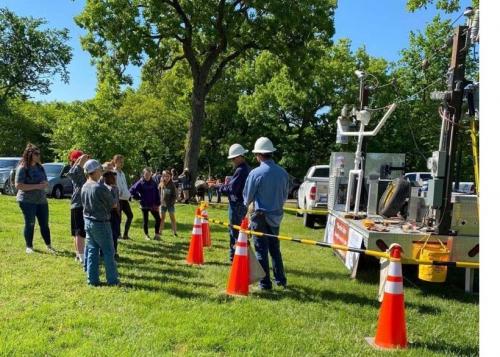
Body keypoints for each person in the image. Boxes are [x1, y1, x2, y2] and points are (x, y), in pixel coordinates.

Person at [243, 137, 289, 290]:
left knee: (261, 249)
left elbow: (247, 197)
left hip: (260, 217)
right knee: (275, 249)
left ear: (259, 155)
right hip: (276, 216)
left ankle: (265, 283)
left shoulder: (256, 173)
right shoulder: (283, 173)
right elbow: (284, 197)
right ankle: (280, 280)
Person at [81, 159, 119, 286]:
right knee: (109, 252)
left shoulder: (84, 186)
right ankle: (113, 281)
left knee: (92, 251)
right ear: (95, 171)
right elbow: (113, 204)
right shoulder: (99, 187)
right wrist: (113, 189)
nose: (101, 173)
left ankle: (92, 280)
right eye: (100, 170)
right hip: (101, 223)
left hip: (88, 221)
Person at [14, 144, 55, 254]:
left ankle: (49, 245)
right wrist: (37, 186)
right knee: (30, 223)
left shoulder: (40, 167)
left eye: (39, 154)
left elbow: (46, 182)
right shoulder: (22, 168)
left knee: (44, 224)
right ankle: (29, 246)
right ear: (29, 154)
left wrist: (45, 184)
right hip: (27, 201)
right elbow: (18, 185)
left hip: (41, 200)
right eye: (36, 154)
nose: (38, 156)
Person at [219, 144, 251, 262]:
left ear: (239, 156)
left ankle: (235, 258)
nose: (232, 161)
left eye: (233, 158)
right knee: (241, 232)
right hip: (242, 205)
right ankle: (241, 256)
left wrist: (219, 187)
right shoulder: (246, 169)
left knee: (234, 232)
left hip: (236, 205)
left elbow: (231, 189)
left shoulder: (240, 170)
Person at [67, 150, 89, 263]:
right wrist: (82, 159)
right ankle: (81, 256)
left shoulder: (79, 170)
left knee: (77, 232)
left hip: (78, 205)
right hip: (79, 205)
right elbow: (76, 168)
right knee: (80, 232)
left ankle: (78, 254)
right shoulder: (76, 170)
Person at [130, 167, 161, 240]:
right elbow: (132, 190)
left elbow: (157, 193)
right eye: (146, 174)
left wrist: (158, 202)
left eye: (149, 174)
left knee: (158, 219)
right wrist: (138, 197)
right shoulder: (140, 182)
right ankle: (146, 235)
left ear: (151, 174)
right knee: (146, 220)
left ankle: (156, 235)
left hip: (153, 204)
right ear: (143, 174)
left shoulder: (153, 182)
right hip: (144, 205)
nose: (147, 175)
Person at [101, 162, 120, 259]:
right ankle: (104, 252)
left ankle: (114, 251)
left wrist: (118, 212)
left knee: (115, 233)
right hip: (106, 213)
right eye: (108, 169)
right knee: (106, 234)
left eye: (111, 169)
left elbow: (117, 201)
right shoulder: (101, 185)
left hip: (115, 213)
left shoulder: (115, 188)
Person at [113, 155, 133, 240]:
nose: (122, 163)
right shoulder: (113, 172)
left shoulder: (122, 173)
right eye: (120, 162)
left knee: (130, 215)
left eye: (122, 162)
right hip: (118, 198)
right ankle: (118, 235)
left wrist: (128, 194)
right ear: (115, 162)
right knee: (118, 218)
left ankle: (125, 234)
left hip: (124, 198)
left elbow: (124, 185)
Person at [158, 170, 178, 236]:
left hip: (170, 204)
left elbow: (174, 196)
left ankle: (174, 232)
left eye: (168, 176)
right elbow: (158, 193)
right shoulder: (161, 184)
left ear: (170, 176)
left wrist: (171, 203)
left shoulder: (172, 185)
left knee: (172, 217)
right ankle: (160, 231)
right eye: (164, 176)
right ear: (162, 176)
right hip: (162, 204)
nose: (166, 177)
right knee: (162, 218)